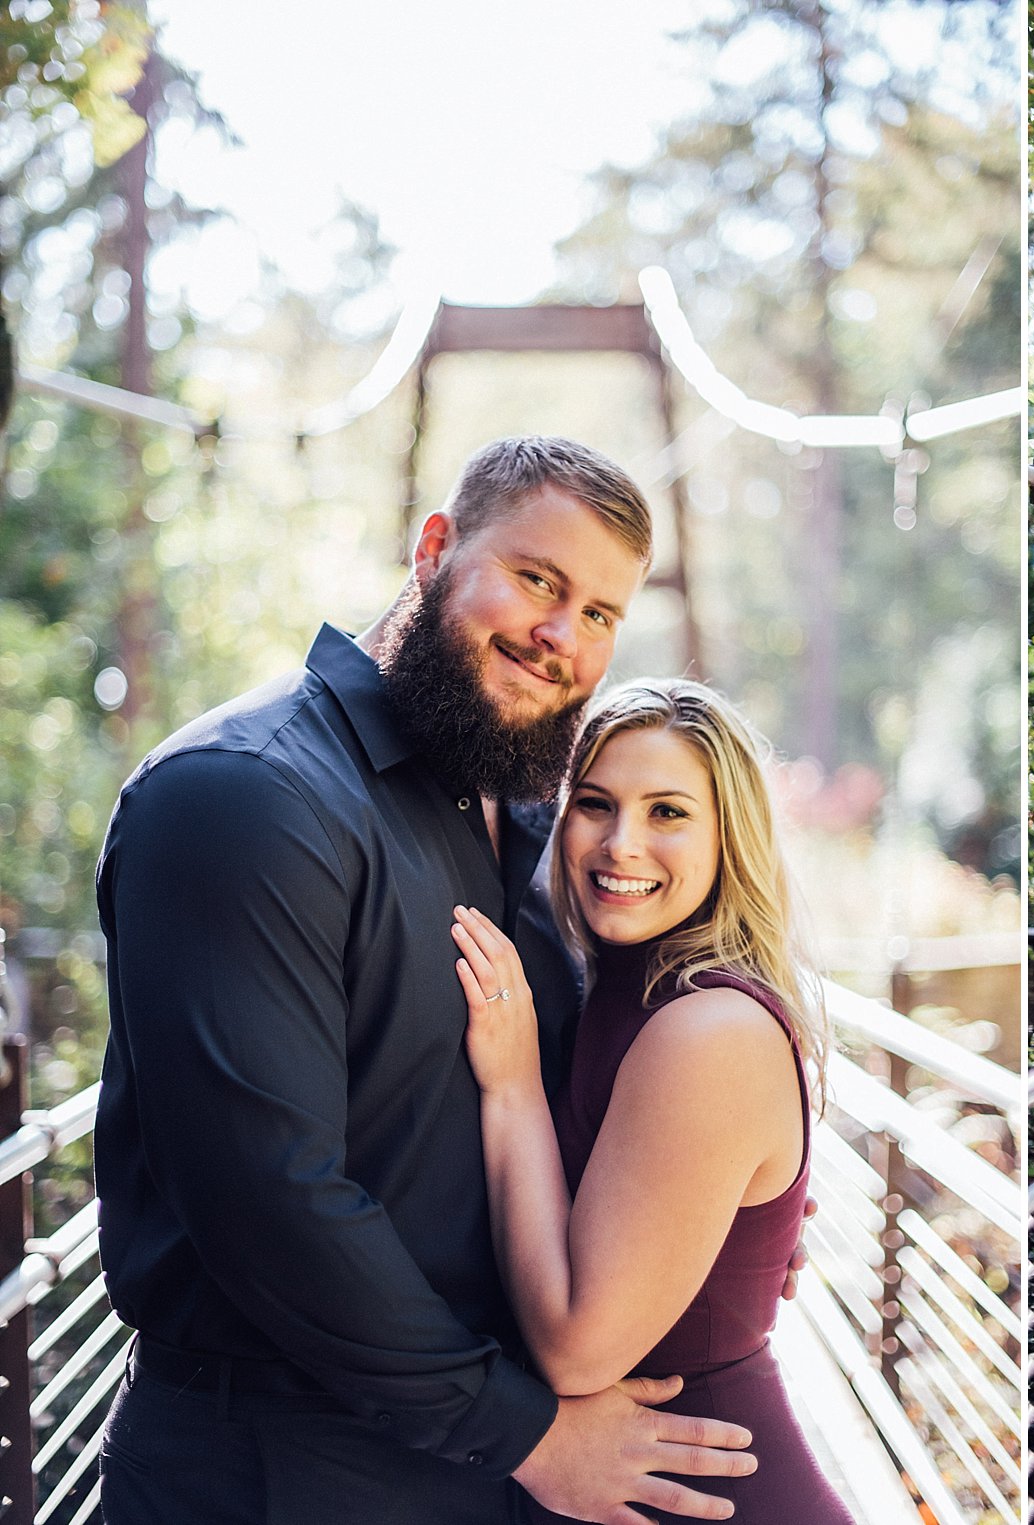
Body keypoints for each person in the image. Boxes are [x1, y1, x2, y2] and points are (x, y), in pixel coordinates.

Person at [95, 437, 763, 1524]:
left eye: (601, 613)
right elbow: (273, 1202)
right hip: (283, 1468)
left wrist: (710, 1213)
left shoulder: (528, 819)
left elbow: (581, 1079)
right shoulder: (242, 799)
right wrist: (527, 1432)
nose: (562, 636)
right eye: (537, 580)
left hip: (484, 1454)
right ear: (434, 549)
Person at [450, 678, 858, 1524]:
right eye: (595, 804)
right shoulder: (622, 986)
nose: (621, 844)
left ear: (728, 835)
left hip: (720, 1498)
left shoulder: (707, 1029)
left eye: (667, 811)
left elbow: (574, 1348)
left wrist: (514, 1084)